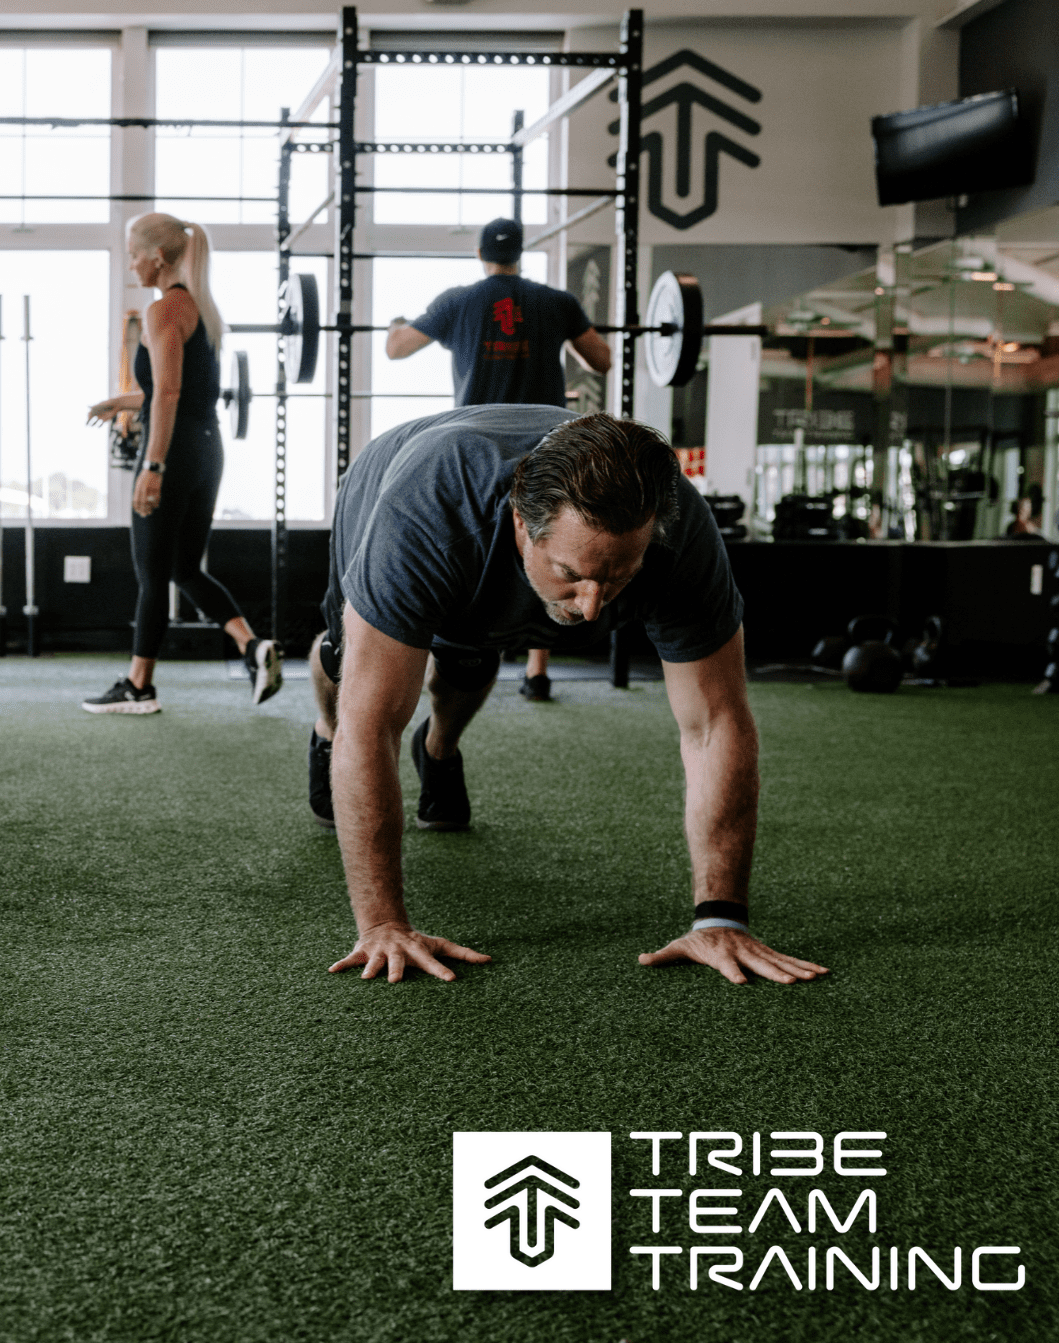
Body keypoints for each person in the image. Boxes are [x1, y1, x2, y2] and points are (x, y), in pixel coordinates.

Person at [308, 405, 827, 987]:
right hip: (387, 483)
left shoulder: (681, 535)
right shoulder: (427, 512)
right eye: (572, 575)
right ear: (522, 525)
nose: (591, 607)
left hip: (492, 558)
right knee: (347, 668)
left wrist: (721, 917)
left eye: (619, 579)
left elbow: (715, 723)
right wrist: (382, 925)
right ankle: (321, 736)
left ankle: (439, 751)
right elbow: (372, 722)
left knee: (470, 659)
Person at [384, 217, 613, 705]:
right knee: (545, 539)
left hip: (476, 445)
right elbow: (602, 359)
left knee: (467, 536)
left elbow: (396, 350)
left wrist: (396, 322)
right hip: (546, 441)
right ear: (521, 253)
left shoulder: (457, 300)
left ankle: (449, 651)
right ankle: (536, 669)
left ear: (480, 254)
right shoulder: (557, 302)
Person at [81, 213, 282, 715]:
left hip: (175, 455)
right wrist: (121, 402)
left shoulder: (163, 310)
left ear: (158, 258)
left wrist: (153, 467)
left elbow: (168, 393)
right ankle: (252, 646)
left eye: (133, 254)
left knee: (151, 573)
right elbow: (179, 394)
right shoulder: (199, 307)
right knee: (183, 567)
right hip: (206, 448)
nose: (130, 264)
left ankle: (138, 685)